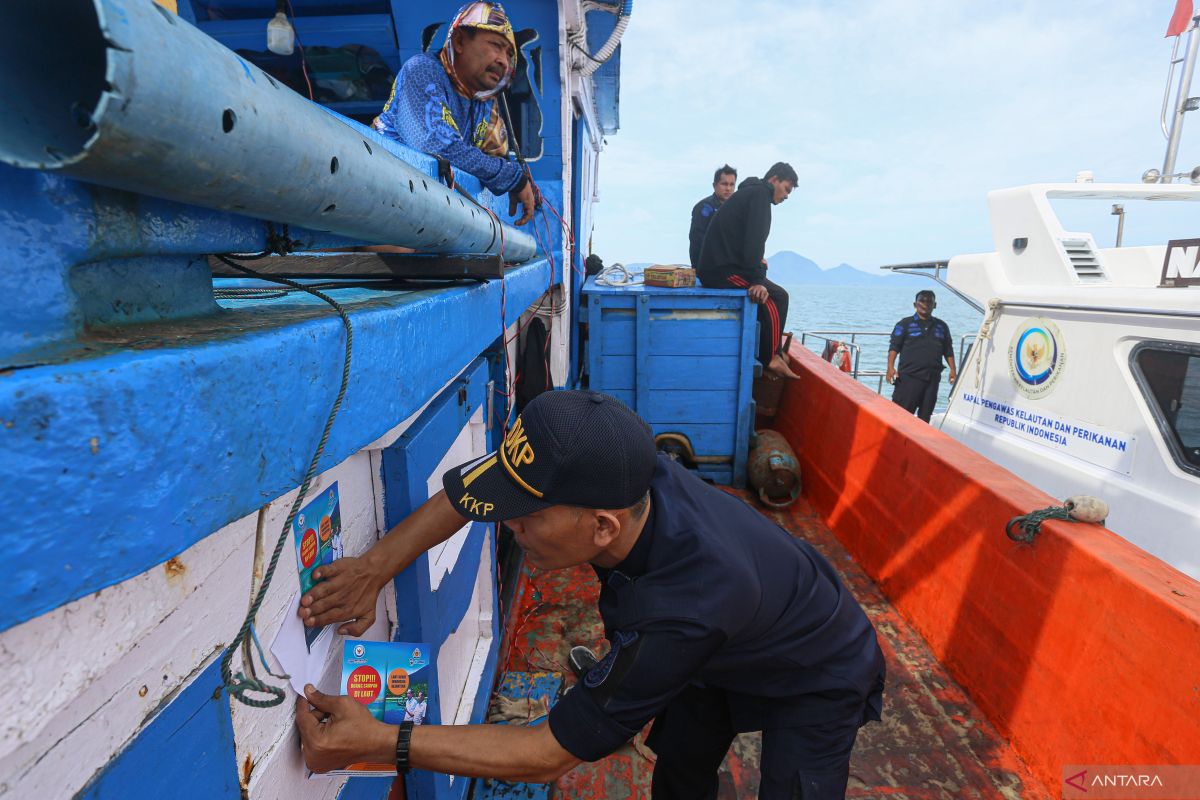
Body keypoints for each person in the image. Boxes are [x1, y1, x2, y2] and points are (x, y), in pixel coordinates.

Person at [294, 390, 885, 799]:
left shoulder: (683, 608)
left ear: (602, 527)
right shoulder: (612, 463)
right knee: (680, 766)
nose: (507, 525)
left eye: (524, 516)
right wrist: (373, 569)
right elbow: (470, 493)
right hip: (734, 635)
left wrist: (375, 739)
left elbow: (550, 752)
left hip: (817, 666)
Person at [373, 2, 535, 226]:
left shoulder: (483, 102)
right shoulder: (422, 70)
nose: (503, 61)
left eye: (509, 54)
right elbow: (439, 146)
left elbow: (496, 155)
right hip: (383, 200)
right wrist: (513, 179)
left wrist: (517, 179)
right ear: (459, 41)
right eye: (496, 46)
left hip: (428, 214)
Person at [697, 163, 800, 379]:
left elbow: (748, 244)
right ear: (774, 180)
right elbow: (754, 242)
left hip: (726, 265)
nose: (787, 196)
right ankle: (770, 358)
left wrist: (758, 272)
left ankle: (776, 352)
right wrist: (757, 280)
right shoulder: (760, 197)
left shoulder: (751, 193)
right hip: (720, 271)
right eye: (787, 189)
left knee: (776, 295)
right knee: (774, 298)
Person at [886, 290, 957, 422]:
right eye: (922, 301)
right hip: (909, 377)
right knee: (901, 416)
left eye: (929, 301)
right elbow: (894, 347)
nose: (925, 304)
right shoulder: (904, 324)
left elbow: (948, 349)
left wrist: (953, 369)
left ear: (935, 305)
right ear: (915, 304)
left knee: (925, 417)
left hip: (932, 379)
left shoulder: (942, 326)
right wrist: (890, 367)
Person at [688, 165, 737, 267]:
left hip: (729, 264)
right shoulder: (704, 207)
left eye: (732, 184)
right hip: (707, 266)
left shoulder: (736, 208)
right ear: (714, 185)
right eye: (724, 184)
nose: (728, 188)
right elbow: (697, 240)